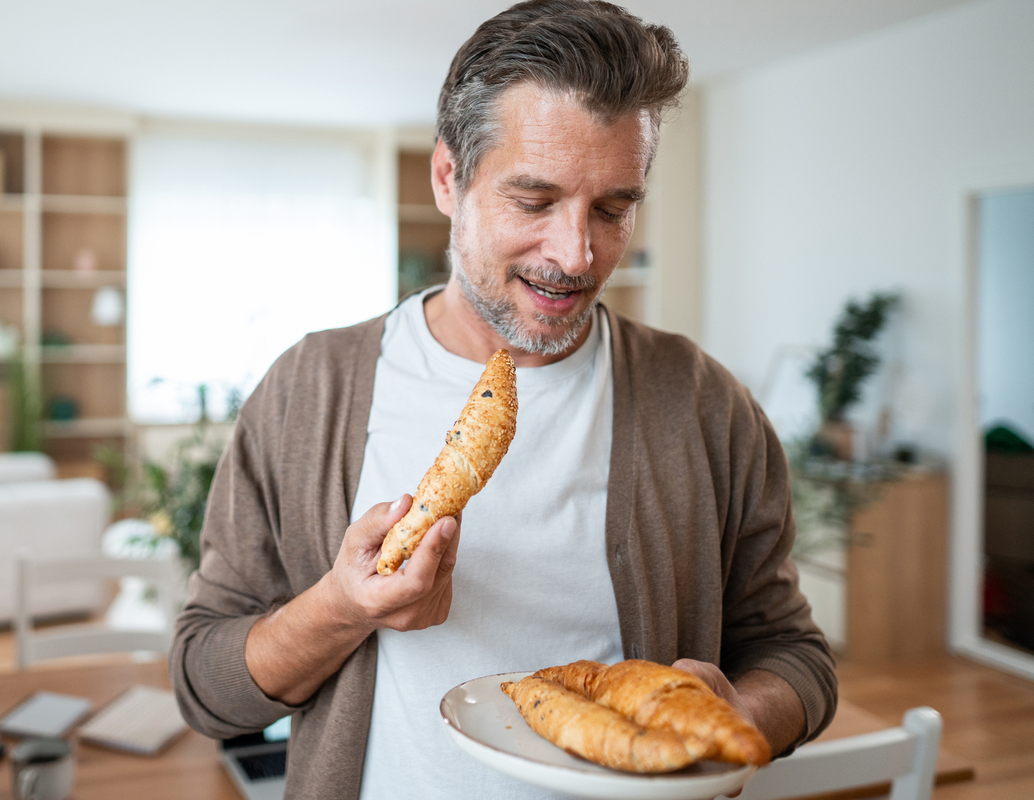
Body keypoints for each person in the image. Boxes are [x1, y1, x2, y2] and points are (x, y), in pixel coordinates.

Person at [170, 2, 837, 798]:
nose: (576, 254)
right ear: (448, 178)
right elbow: (205, 687)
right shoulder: (307, 390)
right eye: (534, 201)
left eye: (613, 208)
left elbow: (796, 656)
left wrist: (737, 713)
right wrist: (341, 608)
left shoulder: (703, 404)